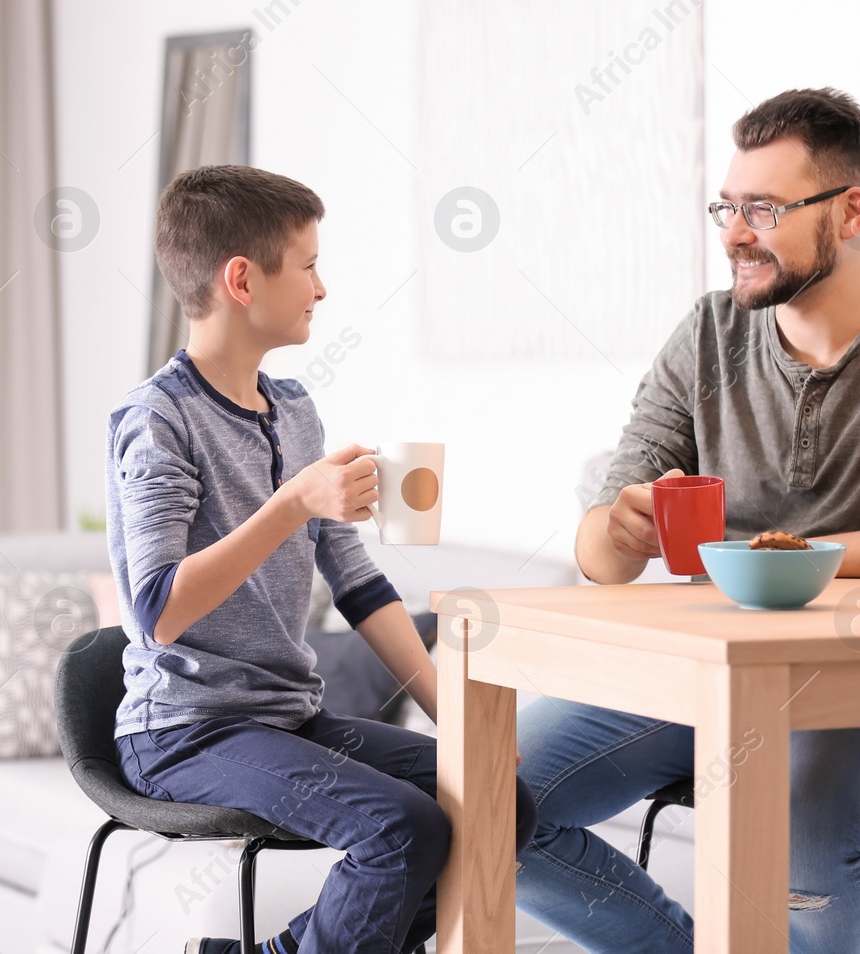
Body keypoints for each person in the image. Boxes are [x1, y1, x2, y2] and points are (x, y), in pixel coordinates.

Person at [514, 88, 860, 953]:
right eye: (728, 208)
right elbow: (605, 541)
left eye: (765, 209)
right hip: (706, 671)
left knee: (803, 823)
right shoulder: (706, 335)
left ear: (853, 212)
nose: (735, 232)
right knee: (489, 796)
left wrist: (802, 558)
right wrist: (614, 531)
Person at [106, 164, 537, 954]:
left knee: (500, 796)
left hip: (286, 718)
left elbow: (359, 580)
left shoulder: (295, 410)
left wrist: (454, 714)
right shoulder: (158, 421)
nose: (322, 288)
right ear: (242, 279)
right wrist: (293, 504)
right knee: (400, 827)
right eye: (307, 265)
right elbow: (157, 609)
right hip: (185, 731)